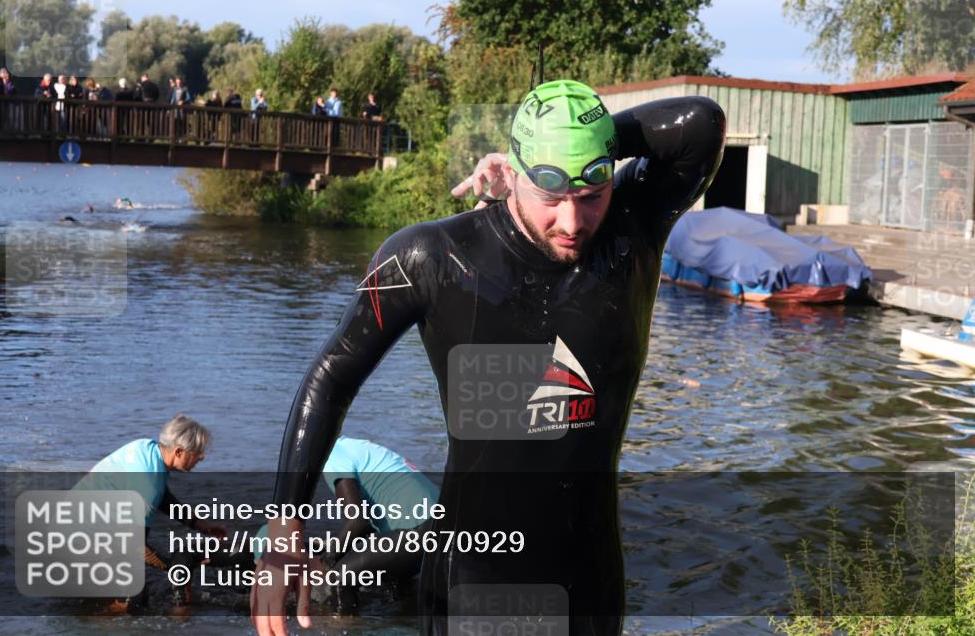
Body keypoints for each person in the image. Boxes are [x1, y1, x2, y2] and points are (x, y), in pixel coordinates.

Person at [251, 80, 725, 635]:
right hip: (471, 585)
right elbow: (331, 378)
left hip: (590, 582)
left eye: (591, 195)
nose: (573, 224)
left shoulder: (633, 228)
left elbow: (700, 123)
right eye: (551, 195)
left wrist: (580, 141)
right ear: (517, 172)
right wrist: (286, 528)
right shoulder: (428, 256)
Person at [255, 436, 439, 614]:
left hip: (419, 530)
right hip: (444, 525)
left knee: (338, 579)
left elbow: (359, 522)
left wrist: (327, 562)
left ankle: (347, 629)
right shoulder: (352, 447)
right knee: (394, 585)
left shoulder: (333, 457)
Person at [76, 415, 227, 610]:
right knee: (133, 601)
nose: (202, 457)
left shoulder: (149, 450)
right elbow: (135, 545)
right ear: (179, 451)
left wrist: (199, 524)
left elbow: (163, 496)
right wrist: (173, 567)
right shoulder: (147, 482)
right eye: (198, 451)